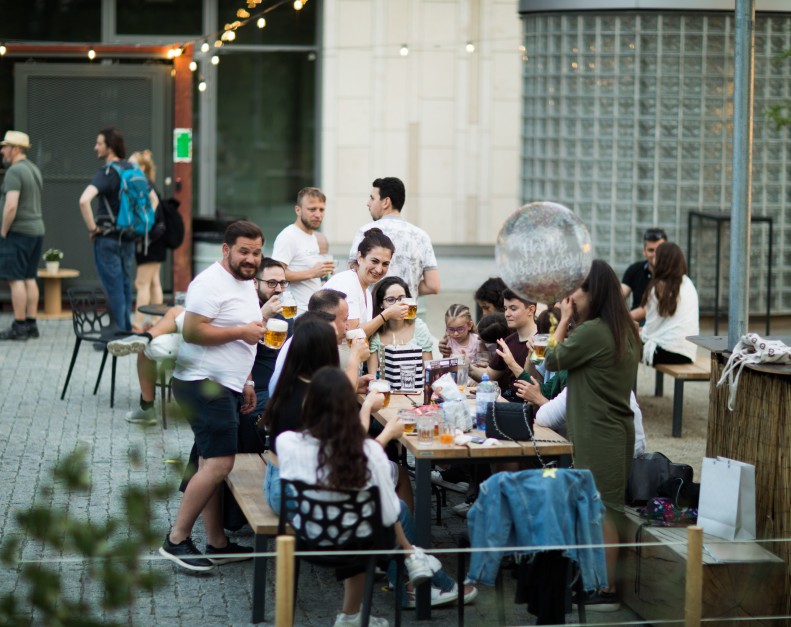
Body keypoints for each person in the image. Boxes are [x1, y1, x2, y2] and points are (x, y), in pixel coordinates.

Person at [276, 367, 475, 625]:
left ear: (308, 404)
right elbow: (390, 511)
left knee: (366, 516)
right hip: (356, 542)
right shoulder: (369, 451)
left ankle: (354, 614)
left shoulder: (287, 442)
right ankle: (414, 559)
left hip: (309, 536)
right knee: (398, 510)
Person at [158, 220, 266, 572]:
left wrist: (247, 380)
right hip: (203, 384)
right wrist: (243, 332)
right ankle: (176, 539)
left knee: (210, 462)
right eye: (244, 252)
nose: (251, 259)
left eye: (256, 252)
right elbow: (192, 330)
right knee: (220, 462)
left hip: (227, 384)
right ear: (226, 250)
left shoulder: (245, 281)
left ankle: (217, 542)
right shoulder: (208, 283)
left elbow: (244, 333)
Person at [543, 259, 641, 611]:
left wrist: (564, 320)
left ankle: (605, 590)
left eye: (576, 290)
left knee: (602, 510)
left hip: (599, 432)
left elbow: (551, 360)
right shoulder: (623, 329)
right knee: (607, 508)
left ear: (593, 292)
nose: (569, 296)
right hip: (613, 429)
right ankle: (601, 582)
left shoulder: (594, 331)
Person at [109, 258, 292, 425]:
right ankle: (146, 340)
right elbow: (228, 338)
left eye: (283, 283)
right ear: (254, 283)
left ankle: (145, 338)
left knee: (167, 323)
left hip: (245, 381)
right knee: (170, 322)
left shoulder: (285, 314)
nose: (278, 289)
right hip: (212, 356)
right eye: (271, 283)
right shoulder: (243, 306)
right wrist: (262, 315)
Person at [78, 127, 158, 332]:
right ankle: (123, 326)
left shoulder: (107, 172)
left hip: (108, 238)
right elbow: (153, 199)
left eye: (99, 143)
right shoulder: (132, 168)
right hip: (129, 237)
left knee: (113, 285)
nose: (95, 147)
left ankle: (117, 331)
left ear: (110, 147)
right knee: (123, 284)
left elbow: (83, 201)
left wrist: (93, 228)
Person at [268, 288, 371, 395]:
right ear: (326, 319)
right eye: (345, 319)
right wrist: (355, 357)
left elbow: (326, 390)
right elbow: (341, 397)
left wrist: (356, 383)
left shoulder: (306, 336)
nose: (348, 326)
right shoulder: (313, 344)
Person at [348, 177, 439, 299]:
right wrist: (408, 290)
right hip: (406, 314)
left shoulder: (365, 231)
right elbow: (433, 286)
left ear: (386, 202)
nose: (368, 203)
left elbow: (352, 277)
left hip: (372, 314)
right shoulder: (421, 236)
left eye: (372, 198)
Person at [0, 130, 44, 341]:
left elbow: (11, 206)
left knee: (15, 279)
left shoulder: (14, 171)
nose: (2, 151)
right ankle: (31, 324)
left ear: (16, 149)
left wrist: (3, 230)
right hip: (37, 230)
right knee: (29, 277)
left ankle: (19, 326)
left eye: (5, 146)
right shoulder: (34, 169)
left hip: (18, 231)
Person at [326, 228, 407, 338]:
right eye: (374, 261)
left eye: (385, 264)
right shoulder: (348, 282)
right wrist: (387, 314)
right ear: (360, 257)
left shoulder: (367, 292)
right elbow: (353, 333)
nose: (379, 269)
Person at [271, 187, 335, 314]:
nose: (318, 214)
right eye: (312, 209)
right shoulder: (288, 236)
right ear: (298, 210)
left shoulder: (312, 236)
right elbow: (275, 275)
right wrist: (312, 272)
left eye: (321, 209)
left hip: (313, 312)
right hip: (294, 314)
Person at [470, 289, 538, 401]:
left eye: (513, 309)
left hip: (529, 410)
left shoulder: (541, 342)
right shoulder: (508, 341)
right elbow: (489, 374)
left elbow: (534, 383)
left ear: (531, 309)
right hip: (510, 406)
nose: (507, 314)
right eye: (506, 309)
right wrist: (468, 367)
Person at [639, 242, 699, 366]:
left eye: (656, 257)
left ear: (662, 261)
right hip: (687, 353)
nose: (653, 260)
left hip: (664, 352)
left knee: (624, 346)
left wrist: (636, 333)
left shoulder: (658, 287)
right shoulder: (688, 283)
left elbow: (649, 330)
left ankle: (628, 386)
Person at [367, 276, 433, 378]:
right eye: (391, 300)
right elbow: (372, 377)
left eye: (402, 298)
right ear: (381, 304)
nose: (398, 304)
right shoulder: (376, 331)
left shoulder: (419, 328)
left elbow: (429, 371)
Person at [128, 149, 164, 332]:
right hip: (156, 239)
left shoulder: (144, 185)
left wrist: (144, 224)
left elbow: (153, 203)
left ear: (141, 167)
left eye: (132, 164)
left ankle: (137, 324)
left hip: (149, 240)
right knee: (153, 282)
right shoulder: (149, 183)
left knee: (141, 283)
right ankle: (157, 322)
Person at [621, 227, 667, 322]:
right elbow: (619, 295)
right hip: (636, 324)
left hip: (660, 324)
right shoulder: (634, 269)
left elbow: (650, 309)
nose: (655, 254)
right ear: (644, 251)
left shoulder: (672, 274)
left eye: (659, 250)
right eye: (651, 250)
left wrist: (620, 320)